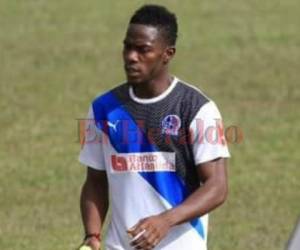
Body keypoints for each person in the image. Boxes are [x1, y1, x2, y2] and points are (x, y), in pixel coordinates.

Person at [78, 4, 230, 250]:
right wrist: (92, 235)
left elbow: (217, 187)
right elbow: (95, 180)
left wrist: (165, 221)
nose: (131, 56)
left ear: (167, 54)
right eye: (127, 46)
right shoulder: (103, 109)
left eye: (143, 50)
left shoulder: (195, 108)